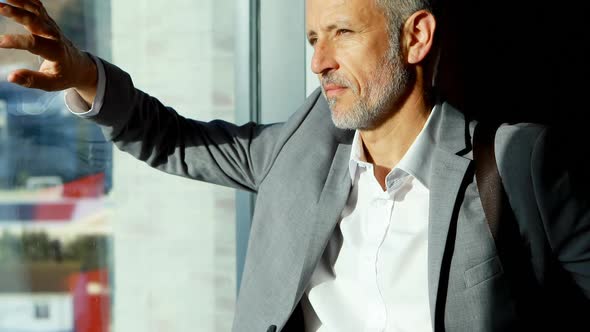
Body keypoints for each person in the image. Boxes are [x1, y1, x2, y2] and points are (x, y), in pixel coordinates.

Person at [1, 0, 589, 331]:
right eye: (312, 37)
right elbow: (172, 139)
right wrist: (82, 74)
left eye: (341, 33)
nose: (319, 61)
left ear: (415, 37)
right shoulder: (303, 149)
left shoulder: (516, 162)